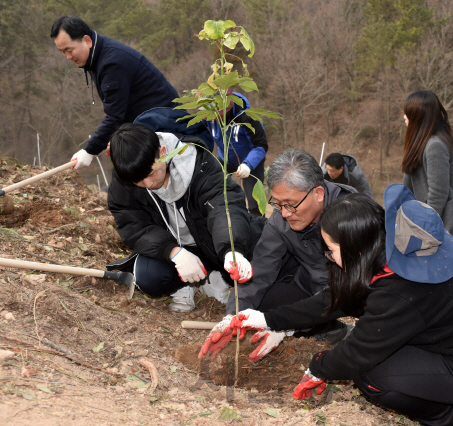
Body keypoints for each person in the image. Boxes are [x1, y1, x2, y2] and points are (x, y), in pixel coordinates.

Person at [230, 186, 453, 426]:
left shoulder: (403, 290)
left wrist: (318, 367)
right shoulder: (395, 252)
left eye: (331, 250)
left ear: (357, 246)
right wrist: (268, 319)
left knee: (372, 376)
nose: (329, 258)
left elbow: (358, 354)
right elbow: (335, 300)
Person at [198, 149, 356, 360]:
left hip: (343, 293)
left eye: (291, 204)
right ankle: (327, 328)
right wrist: (234, 316)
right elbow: (261, 268)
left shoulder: (352, 215)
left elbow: (357, 287)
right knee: (256, 311)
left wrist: (286, 325)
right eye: (278, 204)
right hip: (307, 285)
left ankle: (333, 331)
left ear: (318, 193)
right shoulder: (282, 218)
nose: (284, 213)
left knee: (280, 318)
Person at [106, 123, 264, 312]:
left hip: (212, 242)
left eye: (151, 173)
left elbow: (224, 206)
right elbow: (133, 226)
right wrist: (173, 252)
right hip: (175, 248)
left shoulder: (198, 162)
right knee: (148, 276)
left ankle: (217, 278)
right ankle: (183, 286)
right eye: (137, 181)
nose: (148, 184)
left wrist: (231, 249)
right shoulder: (125, 176)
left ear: (163, 152)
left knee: (256, 261)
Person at [51, 15, 180, 169]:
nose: (67, 57)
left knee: (129, 180)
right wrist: (114, 138)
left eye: (69, 50)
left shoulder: (112, 63)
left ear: (87, 40)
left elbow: (114, 115)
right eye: (62, 52)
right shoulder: (96, 58)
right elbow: (125, 106)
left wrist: (89, 150)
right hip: (147, 127)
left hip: (167, 129)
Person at [401, 90, 453, 259]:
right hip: (433, 222)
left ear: (418, 116)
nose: (404, 117)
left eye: (408, 113)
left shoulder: (435, 145)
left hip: (447, 224)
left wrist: (424, 228)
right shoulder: (422, 144)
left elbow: (438, 193)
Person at [207, 90, 268, 216]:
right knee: (212, 188)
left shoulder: (248, 117)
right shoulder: (209, 116)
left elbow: (261, 146)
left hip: (250, 162)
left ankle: (258, 228)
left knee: (254, 202)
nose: (217, 115)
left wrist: (248, 164)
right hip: (226, 160)